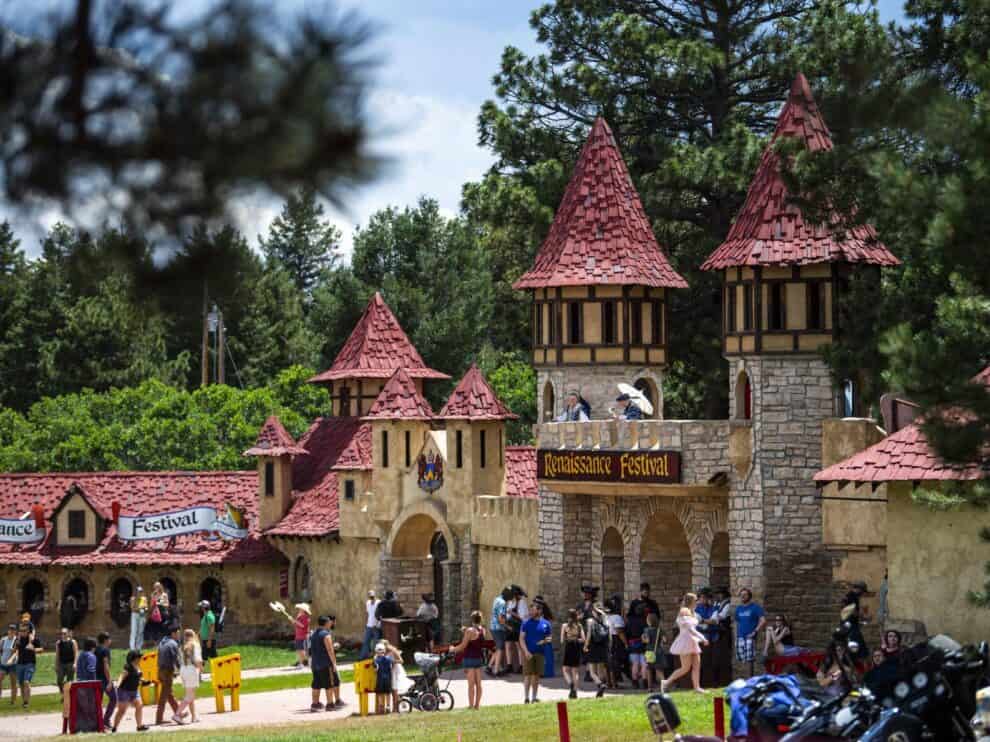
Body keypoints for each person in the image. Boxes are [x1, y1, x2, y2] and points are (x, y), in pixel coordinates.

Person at [662, 593, 709, 693]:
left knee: (697, 665)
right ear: (691, 601)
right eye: (696, 600)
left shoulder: (693, 612)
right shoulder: (684, 611)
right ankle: (666, 682)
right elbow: (690, 629)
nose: (698, 602)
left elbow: (696, 626)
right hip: (685, 641)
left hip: (692, 641)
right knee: (685, 668)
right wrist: (702, 638)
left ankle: (697, 688)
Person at [450, 610, 487, 709]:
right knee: (479, 684)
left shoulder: (469, 631)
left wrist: (453, 649)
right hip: (479, 659)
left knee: (471, 685)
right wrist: (466, 630)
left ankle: (470, 705)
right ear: (480, 619)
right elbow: (475, 638)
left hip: (469, 659)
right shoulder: (482, 630)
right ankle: (477, 705)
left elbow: (462, 646)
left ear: (472, 620)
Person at [519, 600, 552, 704]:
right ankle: (526, 698)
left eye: (533, 610)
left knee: (536, 676)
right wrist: (526, 651)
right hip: (528, 653)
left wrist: (544, 641)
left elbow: (549, 638)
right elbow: (521, 638)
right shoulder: (525, 623)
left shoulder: (546, 624)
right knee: (527, 675)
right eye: (531, 610)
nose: (531, 612)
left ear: (539, 611)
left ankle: (534, 697)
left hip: (540, 653)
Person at [111, 650, 150, 733]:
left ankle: (139, 726)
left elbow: (137, 677)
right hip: (124, 691)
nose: (140, 658)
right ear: (134, 658)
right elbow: (122, 676)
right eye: (138, 657)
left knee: (139, 706)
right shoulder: (128, 667)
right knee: (122, 711)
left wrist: (144, 681)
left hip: (134, 691)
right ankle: (114, 727)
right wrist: (117, 684)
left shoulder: (138, 666)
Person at [309, 614, 340, 712]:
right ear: (326, 623)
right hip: (325, 663)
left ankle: (315, 703)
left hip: (315, 663)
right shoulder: (326, 634)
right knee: (329, 684)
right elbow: (330, 650)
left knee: (316, 684)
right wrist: (334, 663)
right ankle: (330, 704)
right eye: (329, 622)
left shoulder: (313, 634)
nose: (331, 623)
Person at [734, 588, 766, 677]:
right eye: (741, 595)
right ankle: (744, 679)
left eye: (745, 594)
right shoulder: (738, 608)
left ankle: (750, 679)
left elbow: (763, 620)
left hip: (750, 636)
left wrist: (755, 631)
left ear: (749, 596)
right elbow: (737, 622)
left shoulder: (755, 607)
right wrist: (736, 635)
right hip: (740, 636)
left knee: (750, 659)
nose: (743, 596)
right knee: (741, 659)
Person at [155, 624, 182, 725]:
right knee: (164, 696)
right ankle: (159, 719)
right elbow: (176, 660)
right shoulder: (173, 644)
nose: (179, 635)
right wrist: (181, 671)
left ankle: (178, 712)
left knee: (169, 694)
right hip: (167, 672)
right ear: (173, 633)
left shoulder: (163, 641)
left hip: (160, 670)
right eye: (178, 633)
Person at [176, 629, 202, 723]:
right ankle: (177, 714)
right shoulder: (195, 645)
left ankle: (194, 716)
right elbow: (197, 660)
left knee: (190, 694)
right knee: (190, 695)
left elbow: (179, 660)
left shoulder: (182, 646)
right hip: (191, 669)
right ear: (193, 635)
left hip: (183, 669)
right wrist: (201, 669)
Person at [583, 602, 610, 697]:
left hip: (593, 647)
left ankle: (600, 685)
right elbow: (609, 636)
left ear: (594, 611)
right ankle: (602, 686)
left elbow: (589, 636)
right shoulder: (606, 620)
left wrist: (585, 646)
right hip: (602, 647)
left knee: (592, 672)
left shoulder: (590, 621)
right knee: (600, 670)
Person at [14, 622, 43, 708]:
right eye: (21, 630)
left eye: (24, 630)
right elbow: (15, 650)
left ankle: (27, 702)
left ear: (28, 631)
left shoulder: (34, 640)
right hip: (19, 664)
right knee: (21, 684)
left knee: (26, 682)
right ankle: (24, 701)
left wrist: (33, 649)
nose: (22, 632)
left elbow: (41, 650)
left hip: (30, 663)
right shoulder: (18, 640)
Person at [842, 581, 870, 661]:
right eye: (862, 591)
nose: (862, 594)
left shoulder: (850, 596)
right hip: (851, 626)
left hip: (849, 625)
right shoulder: (851, 597)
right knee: (861, 649)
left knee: (856, 648)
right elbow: (852, 612)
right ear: (858, 589)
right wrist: (864, 616)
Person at [561, 609, 585, 699]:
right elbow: (583, 639)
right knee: (575, 671)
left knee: (565, 669)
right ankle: (575, 691)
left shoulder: (564, 626)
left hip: (568, 647)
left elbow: (562, 640)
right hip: (576, 647)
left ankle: (570, 683)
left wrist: (568, 638)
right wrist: (576, 639)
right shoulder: (579, 626)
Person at [487, 586, 511, 677]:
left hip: (493, 626)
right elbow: (501, 619)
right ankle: (496, 671)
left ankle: (489, 667)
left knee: (498, 648)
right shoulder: (503, 603)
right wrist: (508, 626)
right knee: (500, 649)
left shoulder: (497, 599)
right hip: (498, 628)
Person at [605, 597, 627, 689]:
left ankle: (609, 683)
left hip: (606, 640)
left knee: (607, 663)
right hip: (614, 640)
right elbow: (619, 632)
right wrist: (626, 643)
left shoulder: (605, 617)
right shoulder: (616, 618)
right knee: (614, 663)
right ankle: (614, 684)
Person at [96, 631, 116, 729]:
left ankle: (98, 721)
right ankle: (106, 720)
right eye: (109, 639)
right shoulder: (105, 650)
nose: (110, 641)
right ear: (105, 640)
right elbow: (106, 666)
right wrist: (109, 681)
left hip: (96, 679)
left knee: (98, 701)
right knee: (114, 698)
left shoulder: (95, 649)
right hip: (103, 678)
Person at [625, 600, 647, 690]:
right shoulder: (644, 619)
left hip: (633, 644)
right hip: (643, 643)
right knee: (644, 664)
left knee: (635, 664)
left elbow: (627, 632)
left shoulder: (629, 620)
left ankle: (635, 682)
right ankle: (645, 682)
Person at [506, 585, 528, 675]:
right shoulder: (511, 602)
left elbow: (522, 617)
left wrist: (512, 613)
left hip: (518, 626)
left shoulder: (522, 602)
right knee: (508, 645)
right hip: (510, 626)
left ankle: (521, 666)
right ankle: (509, 665)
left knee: (519, 646)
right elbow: (508, 614)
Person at [643, 612, 664, 691]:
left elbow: (647, 640)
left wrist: (643, 638)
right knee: (659, 670)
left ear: (649, 621)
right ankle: (664, 687)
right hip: (658, 651)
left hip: (649, 651)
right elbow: (664, 640)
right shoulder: (660, 630)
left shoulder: (646, 630)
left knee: (649, 670)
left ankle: (649, 687)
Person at [54, 627, 78, 696]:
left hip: (70, 663)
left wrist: (75, 663)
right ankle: (63, 693)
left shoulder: (73, 642)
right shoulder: (58, 643)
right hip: (62, 664)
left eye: (64, 633)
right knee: (59, 681)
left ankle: (67, 695)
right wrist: (56, 665)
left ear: (67, 634)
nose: (63, 635)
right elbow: (57, 655)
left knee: (69, 681)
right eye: (61, 633)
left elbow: (76, 653)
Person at [373, 641, 394, 714]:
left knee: (380, 693)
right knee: (388, 693)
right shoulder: (388, 659)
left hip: (380, 679)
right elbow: (391, 668)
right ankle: (388, 706)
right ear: (384, 650)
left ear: (376, 651)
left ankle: (381, 705)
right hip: (388, 678)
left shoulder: (376, 660)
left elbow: (375, 670)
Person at [360, 591, 380, 661]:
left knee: (375, 643)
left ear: (375, 595)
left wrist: (377, 624)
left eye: (372, 596)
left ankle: (375, 658)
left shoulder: (378, 602)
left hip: (376, 626)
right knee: (366, 641)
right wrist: (366, 623)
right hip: (369, 625)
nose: (371, 597)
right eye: (370, 596)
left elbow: (380, 615)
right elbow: (368, 613)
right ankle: (363, 657)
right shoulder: (368, 603)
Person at [0, 624, 18, 704]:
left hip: (12, 665)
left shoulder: (16, 640)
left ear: (15, 631)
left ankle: (13, 700)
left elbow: (16, 652)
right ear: (8, 631)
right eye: (10, 629)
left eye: (13, 630)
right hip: (3, 664)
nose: (11, 631)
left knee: (13, 682)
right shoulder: (3, 640)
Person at [291, 603, 311, 668]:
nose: (299, 609)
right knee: (298, 650)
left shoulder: (306, 617)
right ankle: (301, 663)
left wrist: (295, 621)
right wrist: (293, 621)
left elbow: (302, 626)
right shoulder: (299, 616)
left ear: (303, 610)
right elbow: (297, 624)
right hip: (298, 636)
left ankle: (308, 662)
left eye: (300, 608)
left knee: (303, 650)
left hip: (303, 636)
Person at [129, 586, 148, 651]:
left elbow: (146, 607)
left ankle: (138, 646)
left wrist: (144, 609)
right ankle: (132, 647)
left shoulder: (144, 599)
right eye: (138, 592)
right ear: (136, 592)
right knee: (134, 631)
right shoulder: (133, 599)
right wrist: (140, 608)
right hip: (135, 615)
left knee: (140, 631)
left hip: (142, 615)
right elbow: (132, 608)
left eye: (141, 592)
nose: (139, 593)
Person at [198, 600, 217, 664]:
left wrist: (209, 640)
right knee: (204, 657)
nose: (200, 608)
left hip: (208, 640)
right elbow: (203, 627)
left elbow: (212, 629)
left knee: (213, 659)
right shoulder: (205, 615)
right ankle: (200, 672)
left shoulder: (209, 616)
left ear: (204, 607)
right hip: (205, 640)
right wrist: (199, 634)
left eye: (201, 607)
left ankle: (218, 672)